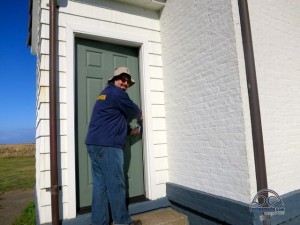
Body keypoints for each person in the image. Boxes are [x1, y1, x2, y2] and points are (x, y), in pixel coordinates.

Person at [85, 67, 143, 225]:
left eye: (128, 81)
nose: (125, 83)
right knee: (116, 185)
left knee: (100, 186)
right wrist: (145, 118)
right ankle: (123, 222)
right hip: (108, 146)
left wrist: (129, 131)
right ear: (114, 79)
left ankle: (99, 222)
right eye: (122, 79)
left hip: (94, 144)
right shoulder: (118, 93)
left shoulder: (105, 93)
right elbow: (136, 111)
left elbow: (111, 119)